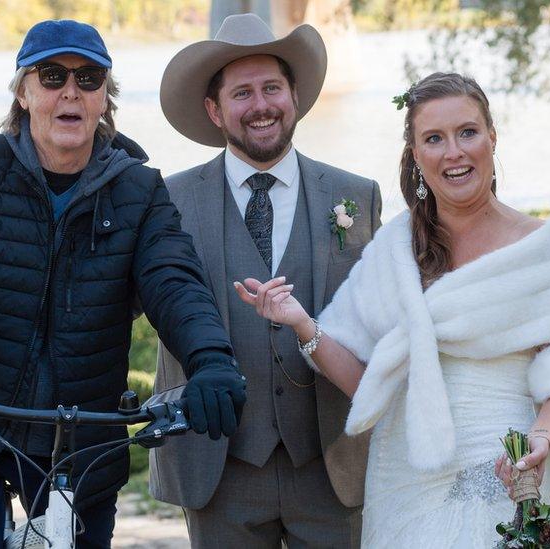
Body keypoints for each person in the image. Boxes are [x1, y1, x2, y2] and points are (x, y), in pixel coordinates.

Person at [0, 19, 246, 549]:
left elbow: (174, 281)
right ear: (24, 93)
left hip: (80, 443)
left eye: (89, 77)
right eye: (52, 76)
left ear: (105, 98)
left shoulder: (138, 190)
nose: (70, 91)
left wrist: (211, 360)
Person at [237, 72, 550, 547]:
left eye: (467, 132)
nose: (454, 152)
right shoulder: (395, 250)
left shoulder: (546, 249)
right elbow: (370, 383)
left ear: (492, 137)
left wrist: (541, 438)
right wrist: (302, 324)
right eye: (434, 139)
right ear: (417, 156)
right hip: (402, 473)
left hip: (502, 465)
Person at [150, 13, 382, 548]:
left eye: (272, 88)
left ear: (294, 97)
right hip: (218, 465)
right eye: (242, 93)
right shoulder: (167, 200)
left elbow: (378, 320)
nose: (261, 106)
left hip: (331, 464)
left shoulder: (356, 196)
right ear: (214, 109)